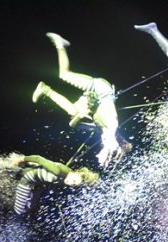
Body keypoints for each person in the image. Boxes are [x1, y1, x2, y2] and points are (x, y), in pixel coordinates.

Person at [32, 32, 123, 167]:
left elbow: (73, 125)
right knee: (64, 74)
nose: (103, 140)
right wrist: (110, 147)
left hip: (91, 99)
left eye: (103, 141)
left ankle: (45, 90)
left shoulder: (97, 128)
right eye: (106, 141)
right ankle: (60, 44)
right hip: (100, 89)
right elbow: (111, 133)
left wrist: (80, 115)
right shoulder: (112, 124)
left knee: (73, 112)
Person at [3, 153, 99, 215]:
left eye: (73, 185)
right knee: (20, 211)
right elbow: (38, 158)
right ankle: (6, 197)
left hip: (37, 184)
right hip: (27, 180)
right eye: (73, 180)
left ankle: (25, 195)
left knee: (31, 208)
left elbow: (52, 182)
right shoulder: (58, 171)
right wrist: (21, 159)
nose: (70, 183)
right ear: (75, 172)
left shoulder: (66, 178)